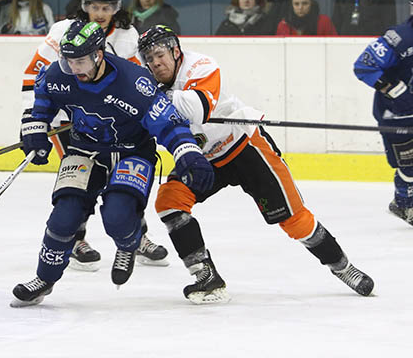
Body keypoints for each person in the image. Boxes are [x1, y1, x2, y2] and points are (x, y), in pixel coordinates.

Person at [137, 25, 375, 304]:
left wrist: (152, 97)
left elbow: (197, 108)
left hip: (243, 147)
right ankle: (205, 275)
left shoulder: (200, 66)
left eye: (159, 54)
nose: (155, 63)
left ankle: (342, 267)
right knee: (169, 201)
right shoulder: (148, 83)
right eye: (148, 59)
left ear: (176, 51)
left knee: (293, 220)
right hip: (202, 159)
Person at [11, 21, 215, 306]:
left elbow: (168, 125)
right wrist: (34, 128)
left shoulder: (135, 83)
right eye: (68, 62)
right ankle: (44, 279)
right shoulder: (61, 73)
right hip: (84, 149)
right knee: (64, 218)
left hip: (131, 152)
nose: (74, 69)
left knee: (118, 217)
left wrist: (188, 154)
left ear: (98, 55)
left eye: (80, 61)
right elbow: (43, 96)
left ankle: (128, 243)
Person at [20, 0, 169, 271]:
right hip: (72, 121)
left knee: (125, 181)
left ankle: (136, 237)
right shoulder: (64, 31)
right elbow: (35, 76)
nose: (100, 14)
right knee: (80, 183)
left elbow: (140, 83)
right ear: (85, 5)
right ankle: (75, 240)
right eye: (94, 6)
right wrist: (33, 122)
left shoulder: (128, 36)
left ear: (116, 8)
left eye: (106, 7)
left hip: (118, 123)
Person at [353, 0, 413, 226]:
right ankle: (404, 204)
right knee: (409, 166)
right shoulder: (399, 39)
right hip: (397, 116)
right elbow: (364, 66)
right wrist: (397, 92)